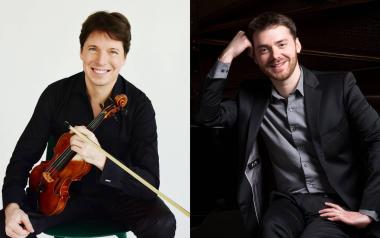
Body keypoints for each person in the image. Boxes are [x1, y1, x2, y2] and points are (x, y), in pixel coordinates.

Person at [195, 12, 380, 237]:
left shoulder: (340, 86)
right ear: (254, 56)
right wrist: (228, 55)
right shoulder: (250, 97)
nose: (275, 55)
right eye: (264, 49)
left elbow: (376, 139)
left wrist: (368, 211)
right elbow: (207, 116)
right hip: (288, 203)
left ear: (297, 45)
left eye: (281, 44)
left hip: (336, 202)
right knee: (270, 229)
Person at [1, 11, 176, 238]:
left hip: (120, 199)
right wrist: (13, 206)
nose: (101, 61)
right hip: (62, 198)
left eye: (113, 51)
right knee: (7, 228)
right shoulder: (56, 95)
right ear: (82, 52)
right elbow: (22, 159)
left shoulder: (139, 105)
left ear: (124, 57)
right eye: (93, 49)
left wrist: (101, 159)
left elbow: (149, 183)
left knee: (162, 224)